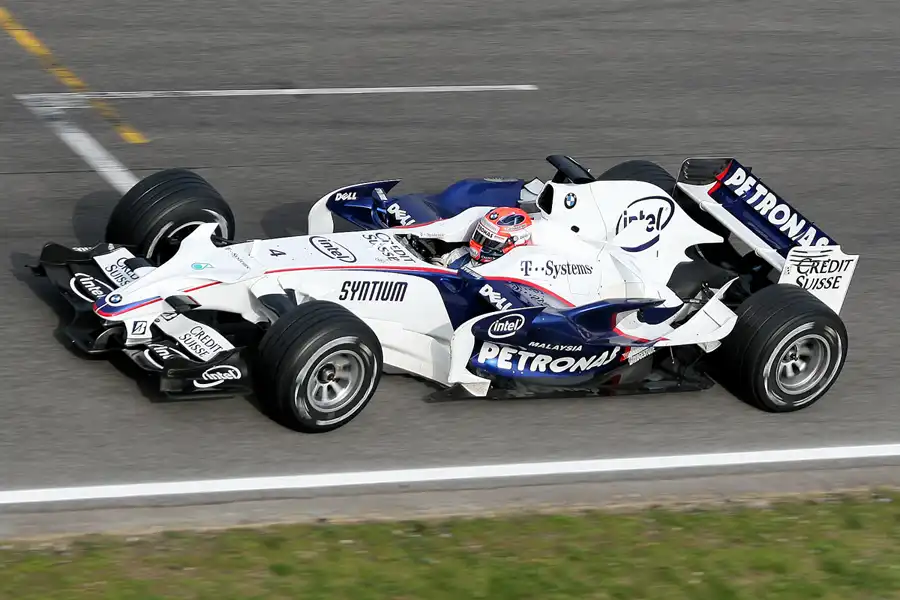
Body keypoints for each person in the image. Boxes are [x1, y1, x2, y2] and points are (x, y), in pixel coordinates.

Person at [431, 207, 534, 269]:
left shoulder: (517, 270)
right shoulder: (460, 255)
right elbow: (436, 266)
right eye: (480, 237)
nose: (479, 246)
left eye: (490, 242)